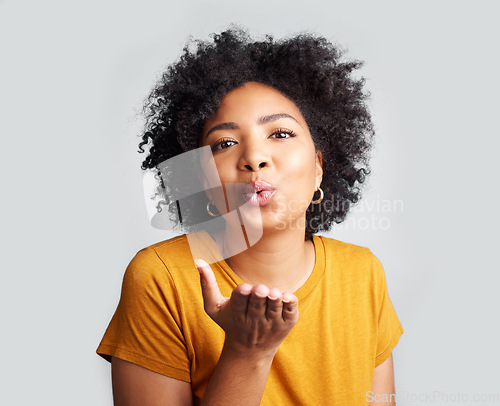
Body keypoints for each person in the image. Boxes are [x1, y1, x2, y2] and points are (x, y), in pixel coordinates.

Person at [96, 28, 403, 405]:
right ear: (201, 179)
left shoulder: (363, 272)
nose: (254, 157)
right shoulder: (162, 279)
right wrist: (247, 353)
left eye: (281, 133)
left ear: (319, 168)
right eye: (225, 143)